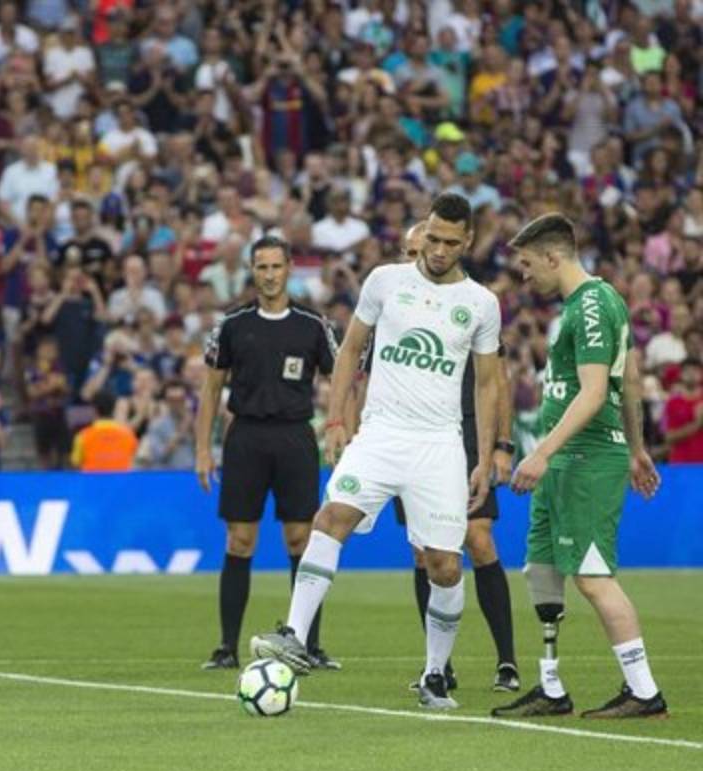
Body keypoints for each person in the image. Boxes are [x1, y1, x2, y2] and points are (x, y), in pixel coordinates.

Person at [251, 193, 501, 710]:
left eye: (449, 242)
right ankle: (295, 635)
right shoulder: (386, 281)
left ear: (467, 243)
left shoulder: (481, 303)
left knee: (444, 566)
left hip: (439, 444)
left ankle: (435, 674)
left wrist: (486, 455)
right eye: (431, 238)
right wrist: (339, 418)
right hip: (381, 433)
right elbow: (350, 351)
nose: (437, 249)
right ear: (423, 231)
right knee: (331, 516)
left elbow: (489, 384)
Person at [493, 213, 667, 719]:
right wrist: (637, 447)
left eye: (528, 264)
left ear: (554, 257)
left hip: (583, 459)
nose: (525, 276)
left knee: (592, 576)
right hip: (570, 460)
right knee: (542, 567)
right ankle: (550, 687)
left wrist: (542, 451)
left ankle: (644, 690)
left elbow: (596, 393)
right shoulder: (588, 305)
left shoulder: (591, 304)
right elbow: (629, 381)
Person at [357, 222, 520, 693]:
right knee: (424, 552)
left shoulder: (472, 304)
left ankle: (506, 660)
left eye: (424, 246)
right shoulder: (395, 301)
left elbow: (497, 381)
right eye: (411, 249)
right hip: (410, 431)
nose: (420, 256)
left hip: (467, 428)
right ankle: (438, 665)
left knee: (479, 538)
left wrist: (501, 446)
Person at [195, 234, 340, 671]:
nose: (270, 275)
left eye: (277, 267)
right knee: (240, 540)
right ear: (252, 270)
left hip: (296, 436)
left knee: (301, 540)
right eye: (262, 267)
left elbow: (340, 380)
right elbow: (210, 390)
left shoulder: (312, 326)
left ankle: (308, 644)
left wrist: (338, 427)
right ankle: (226, 647)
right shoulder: (233, 325)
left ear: (289, 268)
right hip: (246, 438)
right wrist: (203, 449)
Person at [70, 390, 138, 472]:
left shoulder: (82, 436)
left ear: (94, 410)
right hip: (121, 484)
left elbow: (75, 464)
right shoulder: (129, 436)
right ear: (114, 408)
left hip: (92, 483)